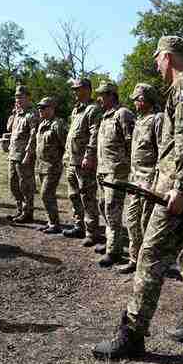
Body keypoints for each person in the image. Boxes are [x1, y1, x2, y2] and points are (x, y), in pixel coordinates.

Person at [93, 35, 183, 359]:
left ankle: (132, 335)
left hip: (182, 193)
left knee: (148, 256)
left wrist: (179, 188)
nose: (157, 65)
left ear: (169, 56)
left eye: (158, 59)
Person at [119, 83, 163, 275]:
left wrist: (158, 180)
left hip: (150, 181)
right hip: (135, 179)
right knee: (131, 220)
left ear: (146, 100)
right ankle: (134, 258)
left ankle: (148, 263)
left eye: (137, 99)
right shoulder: (138, 121)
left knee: (146, 223)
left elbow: (164, 153)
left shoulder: (157, 120)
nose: (135, 102)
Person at [94, 81, 135, 267]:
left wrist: (126, 168)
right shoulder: (105, 117)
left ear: (111, 95)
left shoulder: (123, 114)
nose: (98, 98)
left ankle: (114, 251)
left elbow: (132, 144)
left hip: (116, 172)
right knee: (103, 207)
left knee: (112, 210)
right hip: (103, 171)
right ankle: (112, 241)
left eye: (102, 95)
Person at [63, 78, 104, 247]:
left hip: (84, 161)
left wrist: (89, 155)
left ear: (87, 89)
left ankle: (92, 232)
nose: (74, 92)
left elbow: (95, 135)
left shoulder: (93, 110)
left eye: (77, 89)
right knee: (74, 195)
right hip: (72, 161)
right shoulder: (76, 110)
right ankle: (78, 226)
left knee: (87, 197)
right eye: (74, 89)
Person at [7, 85, 40, 223]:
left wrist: (28, 154)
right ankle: (20, 210)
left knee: (25, 185)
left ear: (27, 97)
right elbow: (8, 128)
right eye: (16, 96)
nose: (18, 99)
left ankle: (28, 213)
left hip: (24, 156)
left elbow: (34, 136)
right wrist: (14, 113)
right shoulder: (18, 114)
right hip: (13, 155)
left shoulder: (32, 114)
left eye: (20, 96)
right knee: (13, 184)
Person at [35, 96, 66, 233]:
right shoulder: (42, 124)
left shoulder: (57, 124)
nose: (40, 110)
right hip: (41, 166)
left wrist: (64, 160)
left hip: (53, 166)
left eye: (43, 107)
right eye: (39, 107)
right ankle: (51, 222)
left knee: (46, 193)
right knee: (46, 195)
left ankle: (55, 224)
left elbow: (65, 144)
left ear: (52, 109)